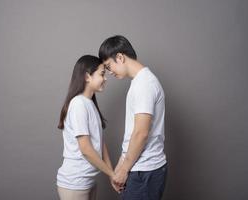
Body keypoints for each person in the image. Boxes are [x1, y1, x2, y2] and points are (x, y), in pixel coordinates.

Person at [99, 35, 168, 200]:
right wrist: (121, 165)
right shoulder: (140, 82)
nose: (110, 72)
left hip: (144, 172)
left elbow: (141, 133)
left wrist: (123, 170)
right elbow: (133, 133)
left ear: (120, 57)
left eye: (109, 66)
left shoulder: (144, 84)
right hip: (139, 169)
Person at [57, 55, 114, 200]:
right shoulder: (78, 104)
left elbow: (100, 143)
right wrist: (112, 174)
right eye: (102, 74)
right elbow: (86, 149)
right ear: (88, 77)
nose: (105, 78)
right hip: (74, 183)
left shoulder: (89, 103)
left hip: (87, 181)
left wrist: (111, 174)